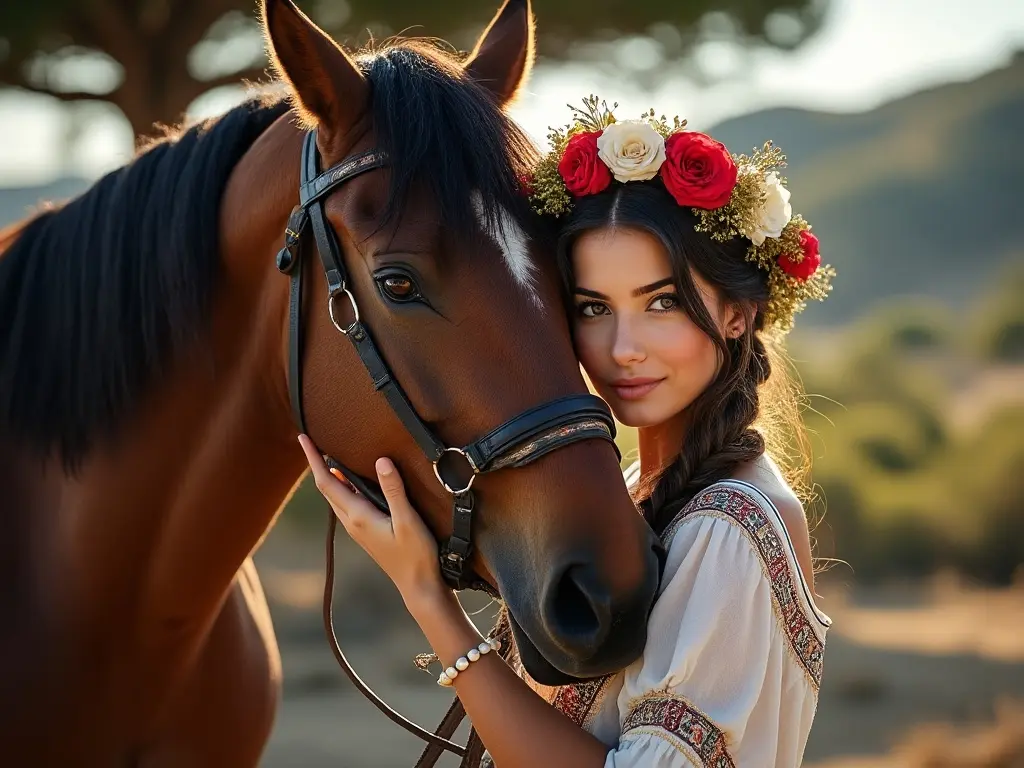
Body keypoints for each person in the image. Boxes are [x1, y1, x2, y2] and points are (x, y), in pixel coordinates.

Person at [298, 96, 835, 767]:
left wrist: (430, 602)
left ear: (737, 313)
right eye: (591, 308)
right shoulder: (648, 491)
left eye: (660, 302)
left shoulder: (728, 526)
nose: (622, 348)